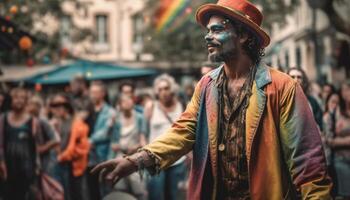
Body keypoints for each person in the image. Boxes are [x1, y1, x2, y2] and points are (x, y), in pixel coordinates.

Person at [92, 0, 332, 199]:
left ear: (244, 36)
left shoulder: (283, 87)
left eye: (217, 29)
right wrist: (136, 160)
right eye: (207, 30)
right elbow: (182, 132)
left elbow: (308, 163)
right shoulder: (206, 86)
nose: (207, 37)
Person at [143, 74, 187, 200]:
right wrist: (145, 155)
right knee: (155, 195)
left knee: (175, 196)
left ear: (172, 89)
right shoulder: (151, 107)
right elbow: (143, 133)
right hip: (155, 160)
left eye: (166, 88)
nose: (163, 92)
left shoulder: (183, 105)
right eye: (160, 89)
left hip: (178, 159)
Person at [0, 88, 40, 200]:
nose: (19, 100)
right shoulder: (3, 119)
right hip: (7, 169)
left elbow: (37, 145)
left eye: (22, 98)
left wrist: (37, 167)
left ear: (26, 101)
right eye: (16, 97)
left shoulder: (33, 121)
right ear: (11, 100)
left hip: (27, 169)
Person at [108, 94, 147, 199]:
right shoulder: (116, 119)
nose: (128, 103)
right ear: (120, 105)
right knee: (121, 188)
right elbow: (113, 140)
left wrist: (137, 146)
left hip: (135, 155)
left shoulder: (139, 117)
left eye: (129, 100)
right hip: (120, 155)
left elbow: (143, 140)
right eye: (124, 101)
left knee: (139, 189)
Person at [55, 95, 91, 200]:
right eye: (55, 107)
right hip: (64, 163)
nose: (57, 110)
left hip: (75, 164)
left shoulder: (77, 123)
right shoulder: (59, 123)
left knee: (79, 193)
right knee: (68, 193)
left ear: (66, 108)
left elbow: (82, 147)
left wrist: (63, 157)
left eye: (60, 107)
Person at [87, 81, 116, 200]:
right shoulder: (88, 110)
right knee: (92, 190)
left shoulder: (110, 112)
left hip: (102, 155)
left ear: (103, 94)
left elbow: (105, 133)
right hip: (89, 156)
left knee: (105, 190)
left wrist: (90, 140)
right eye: (91, 92)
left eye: (95, 92)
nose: (92, 95)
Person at [326, 81, 350, 199]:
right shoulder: (335, 112)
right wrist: (346, 141)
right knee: (344, 195)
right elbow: (328, 139)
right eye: (346, 90)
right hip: (341, 161)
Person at [27, 96, 60, 177]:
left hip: (45, 161)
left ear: (38, 107)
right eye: (29, 104)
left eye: (33, 105)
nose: (30, 107)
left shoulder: (42, 120)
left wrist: (42, 148)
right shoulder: (27, 120)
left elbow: (56, 139)